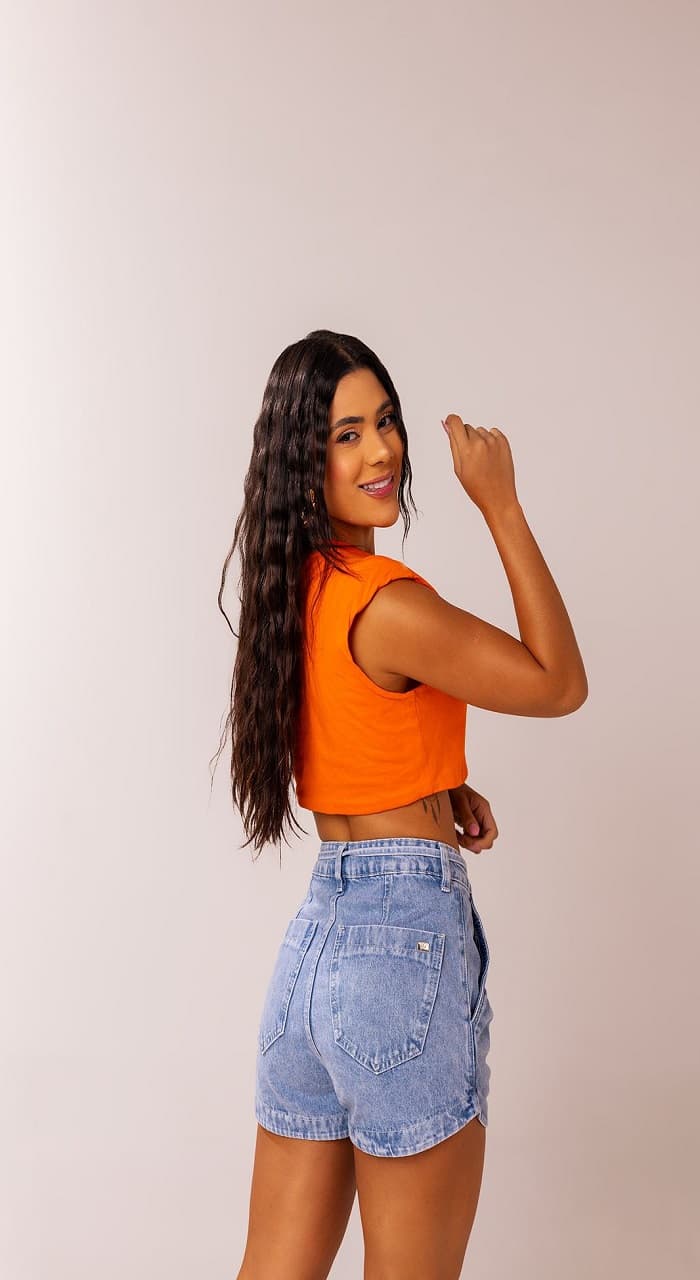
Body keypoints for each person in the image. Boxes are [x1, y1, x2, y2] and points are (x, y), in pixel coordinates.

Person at [213, 329, 588, 1279]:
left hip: (313, 952)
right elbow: (558, 682)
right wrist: (500, 504)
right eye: (345, 435)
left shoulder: (292, 594)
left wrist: (436, 776)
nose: (380, 451)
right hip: (400, 950)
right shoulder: (388, 603)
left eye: (385, 422)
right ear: (304, 460)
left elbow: (352, 725)